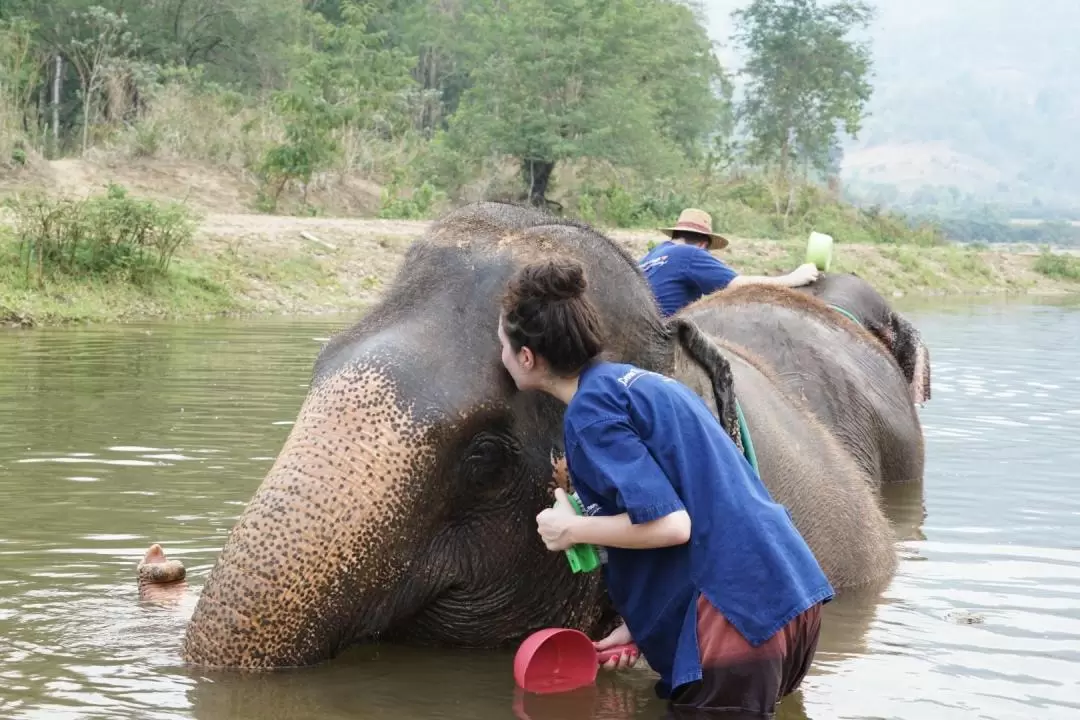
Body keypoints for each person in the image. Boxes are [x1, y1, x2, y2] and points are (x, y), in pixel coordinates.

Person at [496, 257, 834, 718]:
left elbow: (672, 525)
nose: (502, 357)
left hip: (736, 618)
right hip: (786, 599)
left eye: (503, 346)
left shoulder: (590, 413)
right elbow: (706, 503)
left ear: (527, 357)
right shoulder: (646, 386)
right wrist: (643, 627)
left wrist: (571, 530)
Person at [639, 207, 821, 317]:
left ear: (676, 234)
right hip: (660, 336)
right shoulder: (690, 254)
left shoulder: (650, 256)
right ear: (703, 244)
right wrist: (793, 279)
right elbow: (737, 286)